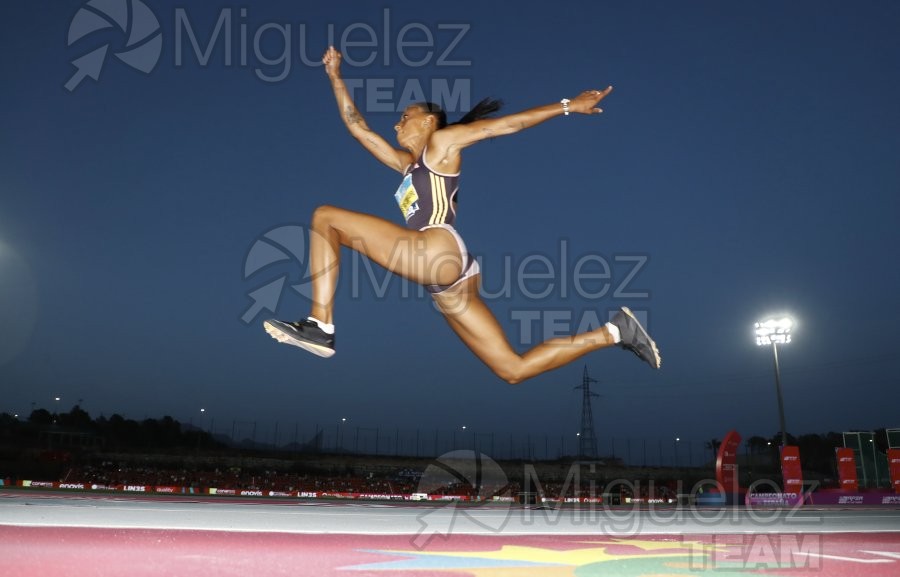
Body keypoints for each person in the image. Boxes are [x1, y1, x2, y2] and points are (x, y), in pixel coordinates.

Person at [265, 46, 660, 384]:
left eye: (406, 115)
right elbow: (359, 129)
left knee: (325, 217)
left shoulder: (442, 143)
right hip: (453, 278)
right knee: (512, 369)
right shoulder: (408, 165)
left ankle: (320, 325)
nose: (397, 122)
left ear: (428, 121)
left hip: (436, 250)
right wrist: (335, 76)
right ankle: (614, 332)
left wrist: (567, 105)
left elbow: (506, 126)